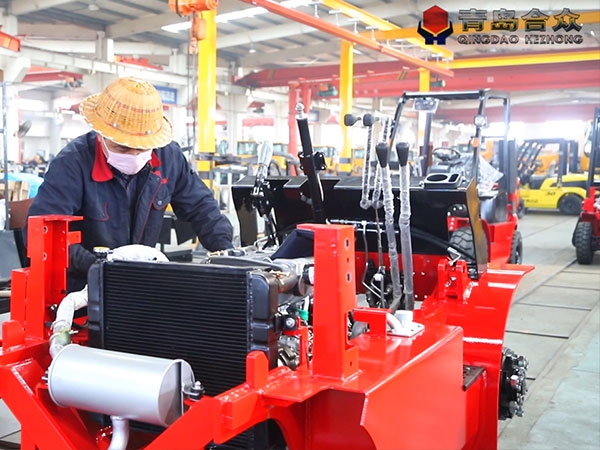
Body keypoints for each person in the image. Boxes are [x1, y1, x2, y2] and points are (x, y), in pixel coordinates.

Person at [27, 76, 234, 291]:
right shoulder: (72, 164)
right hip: (83, 286)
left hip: (140, 282)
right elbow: (43, 235)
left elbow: (202, 207)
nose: (134, 154)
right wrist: (99, 267)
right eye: (123, 147)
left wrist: (227, 254)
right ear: (101, 134)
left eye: (142, 148)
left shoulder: (169, 157)